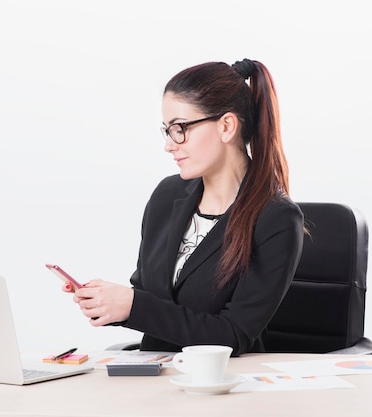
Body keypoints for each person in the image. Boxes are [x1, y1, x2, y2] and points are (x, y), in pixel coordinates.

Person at [64, 59, 304, 355]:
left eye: (180, 128)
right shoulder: (168, 195)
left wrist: (133, 306)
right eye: (167, 130)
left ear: (226, 126)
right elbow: (150, 297)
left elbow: (233, 335)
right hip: (155, 377)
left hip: (221, 384)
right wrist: (109, 302)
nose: (169, 144)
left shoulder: (276, 219)